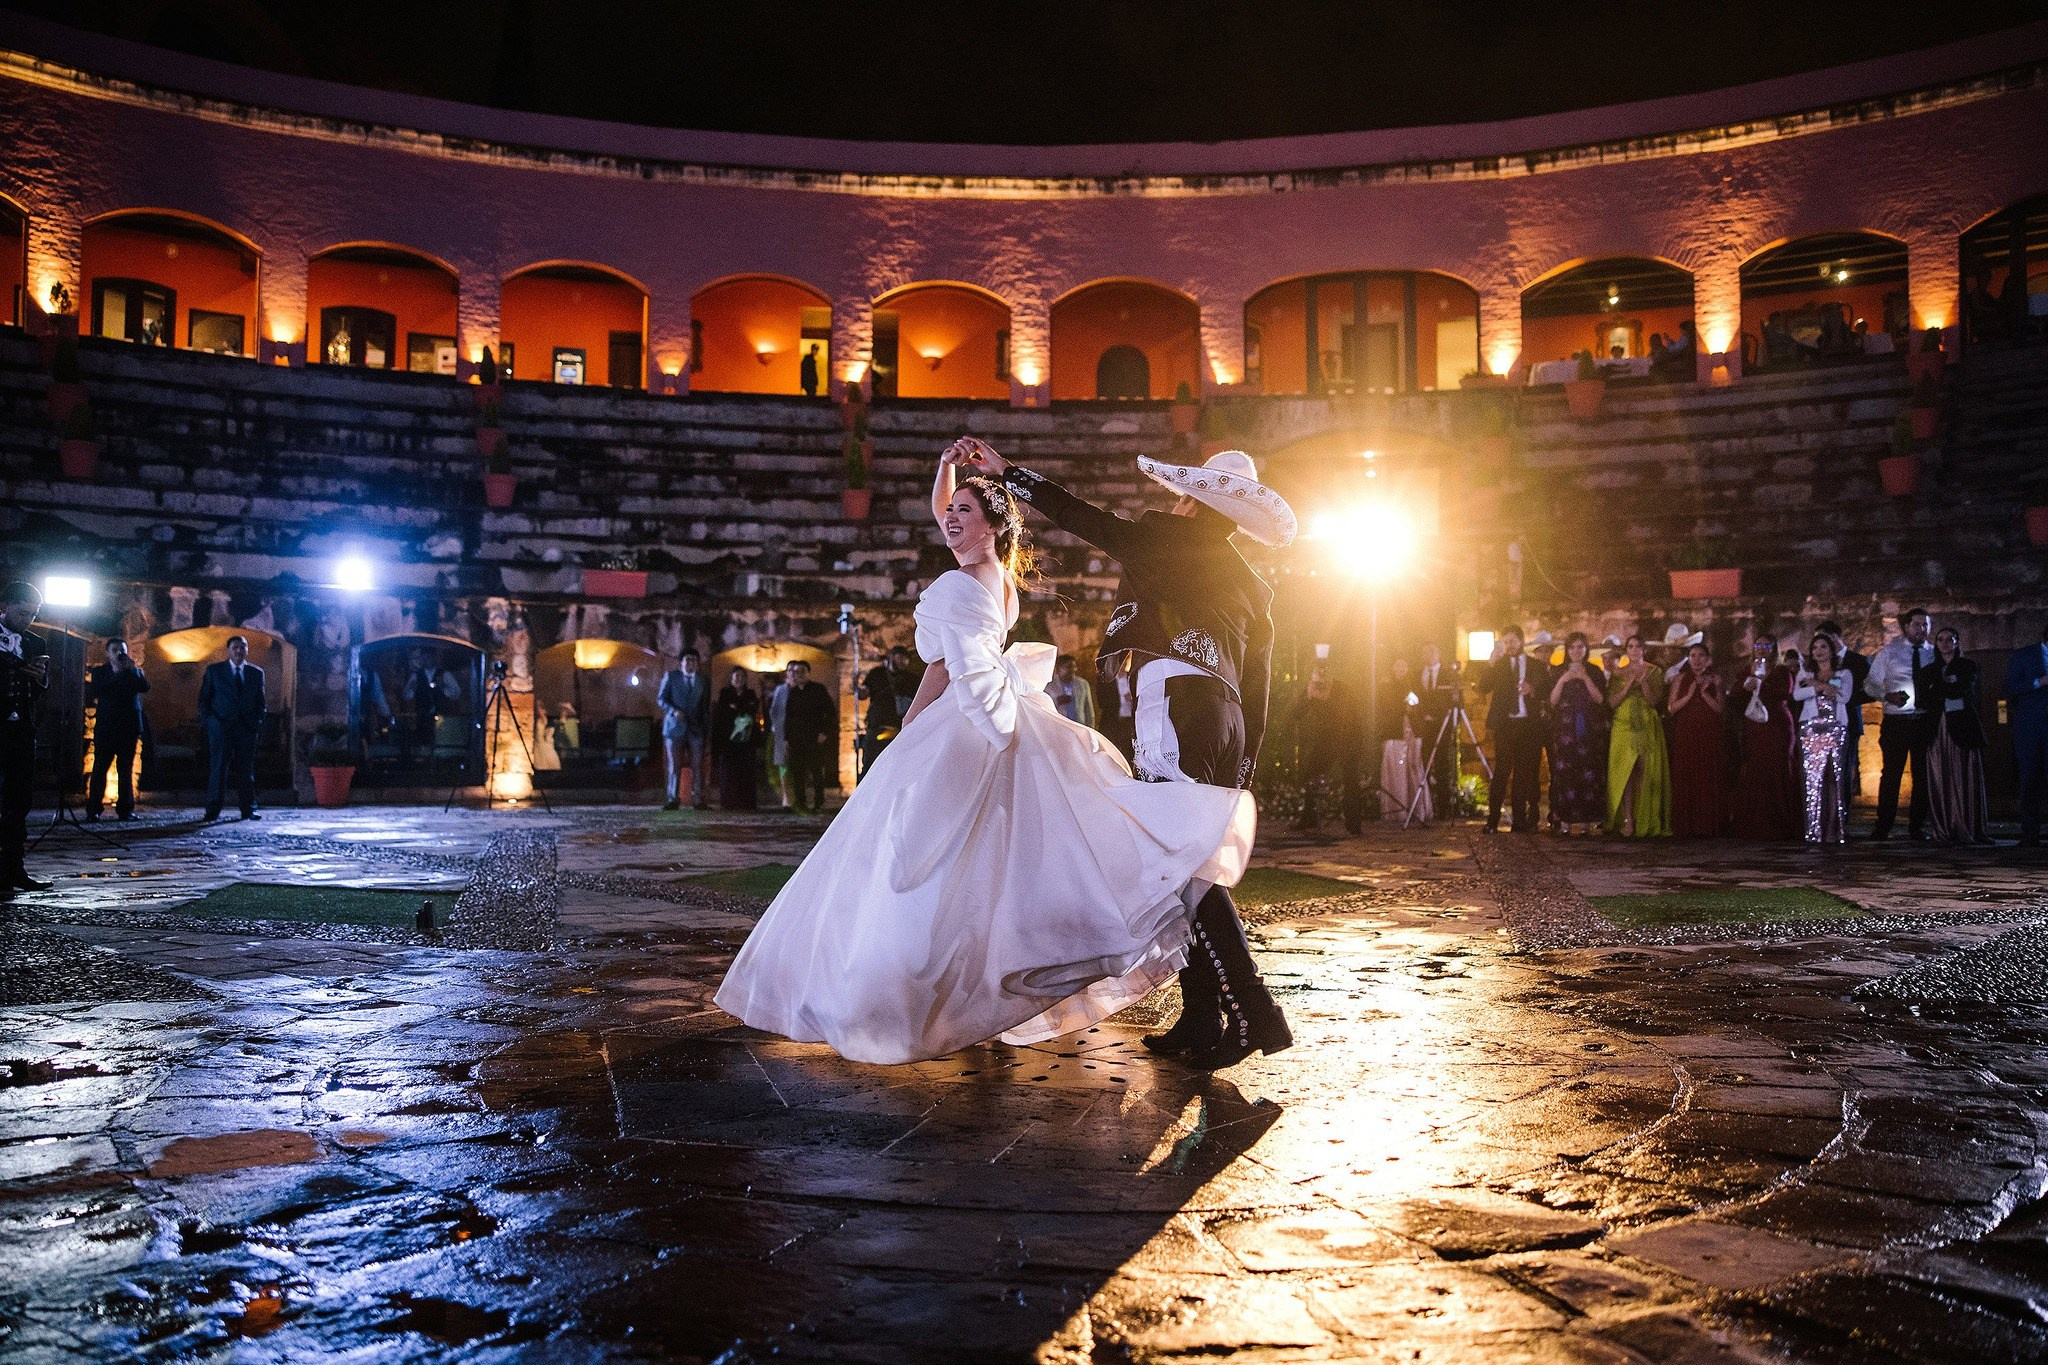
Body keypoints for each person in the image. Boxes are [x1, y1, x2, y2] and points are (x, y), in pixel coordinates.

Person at [715, 447, 1256, 1067]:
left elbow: (955, 665)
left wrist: (914, 728)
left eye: (965, 512)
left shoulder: (970, 582)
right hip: (1190, 712)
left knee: (937, 858)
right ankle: (1203, 1011)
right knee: (996, 859)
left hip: (1028, 715)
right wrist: (951, 472)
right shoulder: (996, 577)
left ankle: (913, 993)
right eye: (951, 511)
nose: (950, 518)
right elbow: (949, 524)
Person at [957, 436, 1294, 1071]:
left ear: (1192, 500)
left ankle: (1254, 1011)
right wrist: (1247, 758)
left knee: (1179, 864)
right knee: (1185, 861)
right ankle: (1202, 1015)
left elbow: (1086, 519)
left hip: (1175, 703)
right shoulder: (1253, 583)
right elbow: (1260, 681)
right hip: (1226, 720)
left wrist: (1011, 473)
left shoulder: (1166, 538)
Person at [1865, 608, 1939, 841]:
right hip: (1897, 720)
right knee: (1891, 774)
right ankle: (1883, 825)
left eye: (1925, 625)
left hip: (1924, 720)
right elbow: (1870, 683)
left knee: (1922, 775)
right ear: (1906, 626)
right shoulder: (1890, 652)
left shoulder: (1934, 653)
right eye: (1917, 624)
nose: (1922, 629)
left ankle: (1917, 826)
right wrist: (1887, 696)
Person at [0, 582, 51, 892]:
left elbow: (41, 688)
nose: (28, 620)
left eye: (33, 614)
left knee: (19, 800)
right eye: (22, 613)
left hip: (21, 730)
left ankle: (13, 869)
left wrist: (39, 677)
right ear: (5, 606)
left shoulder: (35, 642)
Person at [1925, 627, 1991, 845]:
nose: (1945, 643)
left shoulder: (1967, 666)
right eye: (1940, 640)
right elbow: (1924, 698)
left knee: (1965, 775)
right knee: (1941, 775)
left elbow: (1960, 690)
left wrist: (1939, 687)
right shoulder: (1929, 670)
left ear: (1956, 642)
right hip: (1938, 729)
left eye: (1949, 639)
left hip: (1963, 728)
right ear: (1936, 644)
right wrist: (1947, 684)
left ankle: (1970, 826)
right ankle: (1945, 826)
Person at [1733, 636, 1799, 840]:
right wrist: (1748, 682)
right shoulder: (1746, 670)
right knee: (1757, 768)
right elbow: (1735, 694)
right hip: (1755, 724)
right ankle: (1755, 821)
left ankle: (1780, 821)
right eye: (1758, 645)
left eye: (1766, 646)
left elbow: (1785, 693)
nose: (1761, 649)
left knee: (1777, 767)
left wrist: (1761, 684)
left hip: (1777, 724)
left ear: (1774, 648)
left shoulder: (1782, 671)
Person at [1604, 635, 1670, 837]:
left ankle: (1645, 819)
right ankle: (1628, 820)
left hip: (1647, 723)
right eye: (1630, 646)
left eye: (1638, 646)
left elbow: (1654, 701)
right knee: (1626, 771)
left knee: (1645, 770)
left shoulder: (1654, 671)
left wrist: (1644, 683)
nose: (1634, 650)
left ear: (1643, 649)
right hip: (1623, 724)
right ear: (1626, 650)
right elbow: (1612, 703)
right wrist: (1627, 685)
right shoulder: (1618, 673)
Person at [1793, 634, 1855, 844]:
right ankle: (1814, 828)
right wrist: (1819, 687)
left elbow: (1843, 696)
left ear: (1831, 650)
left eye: (1823, 647)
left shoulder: (1843, 673)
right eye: (1815, 648)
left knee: (1834, 777)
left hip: (1835, 728)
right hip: (1811, 730)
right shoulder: (1805, 673)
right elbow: (1797, 695)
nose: (1818, 651)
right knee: (1813, 779)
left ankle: (1833, 828)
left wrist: (1817, 685)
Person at [1482, 628, 1544, 834]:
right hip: (1506, 724)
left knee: (1522, 773)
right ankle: (1492, 820)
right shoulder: (1498, 665)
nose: (1509, 645)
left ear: (1521, 641)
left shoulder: (1535, 665)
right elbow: (1483, 687)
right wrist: (1490, 664)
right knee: (1501, 771)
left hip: (1527, 724)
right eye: (1505, 642)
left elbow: (1546, 689)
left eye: (1512, 641)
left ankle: (1519, 820)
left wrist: (1532, 690)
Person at [197, 635, 265, 822]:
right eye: (235, 647)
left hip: (246, 728)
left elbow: (260, 701)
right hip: (221, 727)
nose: (239, 651)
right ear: (228, 650)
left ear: (247, 650)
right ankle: (212, 810)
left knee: (246, 770)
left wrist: (256, 722)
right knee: (218, 768)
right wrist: (211, 722)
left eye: (243, 647)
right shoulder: (215, 671)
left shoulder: (256, 673)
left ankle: (248, 809)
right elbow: (204, 699)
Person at [1546, 632, 1607, 835]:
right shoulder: (1558, 671)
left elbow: (1600, 699)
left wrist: (1585, 678)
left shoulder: (1594, 671)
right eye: (1572, 647)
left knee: (1588, 772)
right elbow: (1552, 701)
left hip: (1589, 728)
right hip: (1565, 728)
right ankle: (1564, 820)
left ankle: (1586, 822)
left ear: (1586, 649)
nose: (1576, 651)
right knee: (1565, 773)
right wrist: (1563, 680)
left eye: (1580, 647)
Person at [1667, 641, 1728, 837]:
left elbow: (1720, 708)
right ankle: (1687, 825)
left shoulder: (1715, 679)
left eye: (1701, 656)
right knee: (1687, 774)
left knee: (1707, 775)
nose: (1697, 660)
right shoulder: (1680, 678)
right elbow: (1672, 708)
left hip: (1709, 732)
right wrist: (1690, 694)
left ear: (1708, 660)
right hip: (1686, 731)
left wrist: (1704, 693)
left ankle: (1708, 824)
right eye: (1693, 656)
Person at [86, 639, 149, 821]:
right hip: (107, 727)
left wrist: (133, 669)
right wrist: (116, 673)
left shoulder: (133, 672)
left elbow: (144, 687)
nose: (119, 653)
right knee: (100, 768)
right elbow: (97, 691)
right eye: (115, 650)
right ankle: (94, 809)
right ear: (108, 653)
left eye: (122, 650)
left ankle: (126, 810)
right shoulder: (100, 672)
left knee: (125, 769)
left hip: (128, 727)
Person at [1295, 664, 1360, 834]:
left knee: (1350, 778)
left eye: (1324, 674)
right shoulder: (1312, 688)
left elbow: (1343, 714)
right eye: (1317, 674)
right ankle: (1308, 818)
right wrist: (1308, 696)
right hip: (1328, 737)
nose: (1321, 678)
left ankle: (1354, 824)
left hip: (1348, 737)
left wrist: (1321, 697)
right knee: (1312, 772)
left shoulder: (1341, 688)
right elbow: (1297, 713)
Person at [1816, 619, 1871, 806]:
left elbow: (1870, 691)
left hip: (1848, 722)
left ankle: (1842, 813)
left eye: (1823, 640)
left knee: (1844, 770)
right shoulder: (1817, 662)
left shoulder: (1857, 661)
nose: (1819, 646)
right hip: (1821, 723)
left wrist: (1845, 694)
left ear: (1834, 637)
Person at [769, 660, 836, 813]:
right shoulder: (791, 692)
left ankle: (819, 801)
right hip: (795, 738)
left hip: (814, 737)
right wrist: (786, 738)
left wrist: (824, 732)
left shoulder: (818, 689)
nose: (798, 674)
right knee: (798, 772)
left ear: (808, 673)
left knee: (816, 770)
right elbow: (786, 717)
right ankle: (800, 801)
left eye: (802, 671)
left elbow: (830, 712)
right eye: (796, 672)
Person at [2007, 624, 2048, 846]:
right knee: (2030, 779)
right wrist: (2039, 682)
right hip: (2030, 728)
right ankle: (2030, 833)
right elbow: (2011, 687)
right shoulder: (2025, 655)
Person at [656, 652, 711, 810]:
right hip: (675, 727)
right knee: (675, 765)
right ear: (681, 662)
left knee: (697, 765)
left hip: (696, 728)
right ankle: (673, 798)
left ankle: (698, 799)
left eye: (694, 660)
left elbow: (705, 706)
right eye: (687, 660)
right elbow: (661, 699)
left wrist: (705, 729)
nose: (690, 663)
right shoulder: (671, 677)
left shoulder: (703, 681)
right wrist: (673, 711)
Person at [712, 669, 763, 811]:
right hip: (729, 739)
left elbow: (752, 708)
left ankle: (746, 802)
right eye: (736, 676)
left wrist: (737, 707)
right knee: (729, 771)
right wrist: (739, 708)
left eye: (742, 676)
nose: (739, 679)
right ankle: (729, 802)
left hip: (746, 740)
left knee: (746, 771)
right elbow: (723, 711)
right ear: (731, 679)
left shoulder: (750, 693)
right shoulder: (725, 693)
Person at [1046, 653, 1098, 730]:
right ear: (1059, 669)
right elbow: (1045, 711)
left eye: (1074, 666)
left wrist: (1090, 729)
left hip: (1079, 727)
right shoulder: (1049, 686)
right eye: (1069, 667)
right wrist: (1057, 702)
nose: (1073, 670)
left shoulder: (1083, 684)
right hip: (1059, 728)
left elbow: (1088, 709)